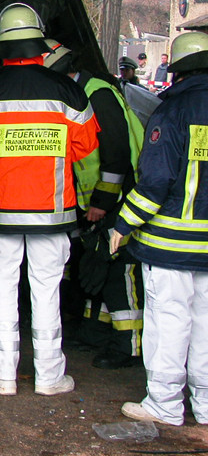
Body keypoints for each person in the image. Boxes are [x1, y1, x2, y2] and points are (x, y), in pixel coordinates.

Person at [0, 3, 99, 397]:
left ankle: (2, 375)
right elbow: (86, 144)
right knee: (47, 291)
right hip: (51, 214)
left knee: (3, 290)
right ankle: (50, 377)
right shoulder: (66, 89)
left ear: (1, 47)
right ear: (42, 44)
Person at [112, 31, 208, 427]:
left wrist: (123, 223)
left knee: (170, 323)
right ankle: (205, 406)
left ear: (178, 71)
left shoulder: (172, 112)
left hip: (170, 246)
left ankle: (166, 404)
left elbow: (154, 182)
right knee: (206, 327)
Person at [43, 40, 144, 370]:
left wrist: (102, 202)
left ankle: (128, 346)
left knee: (117, 269)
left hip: (118, 196)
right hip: (95, 200)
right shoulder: (77, 92)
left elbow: (117, 152)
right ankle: (95, 332)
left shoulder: (97, 93)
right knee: (94, 264)